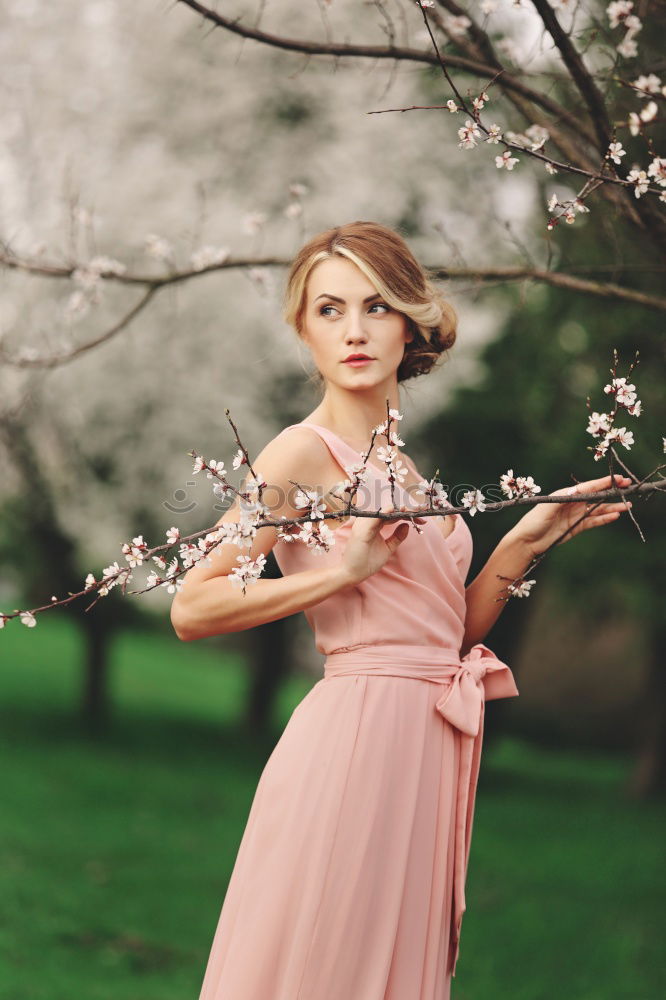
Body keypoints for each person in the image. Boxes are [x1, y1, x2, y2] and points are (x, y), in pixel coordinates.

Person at [170, 221, 633, 999]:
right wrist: (338, 571)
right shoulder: (300, 455)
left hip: (424, 749)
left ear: (411, 323)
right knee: (328, 965)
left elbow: (442, 636)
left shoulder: (412, 473)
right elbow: (193, 605)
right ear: (302, 331)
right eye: (329, 310)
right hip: (353, 743)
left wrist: (525, 539)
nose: (354, 330)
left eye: (376, 307)